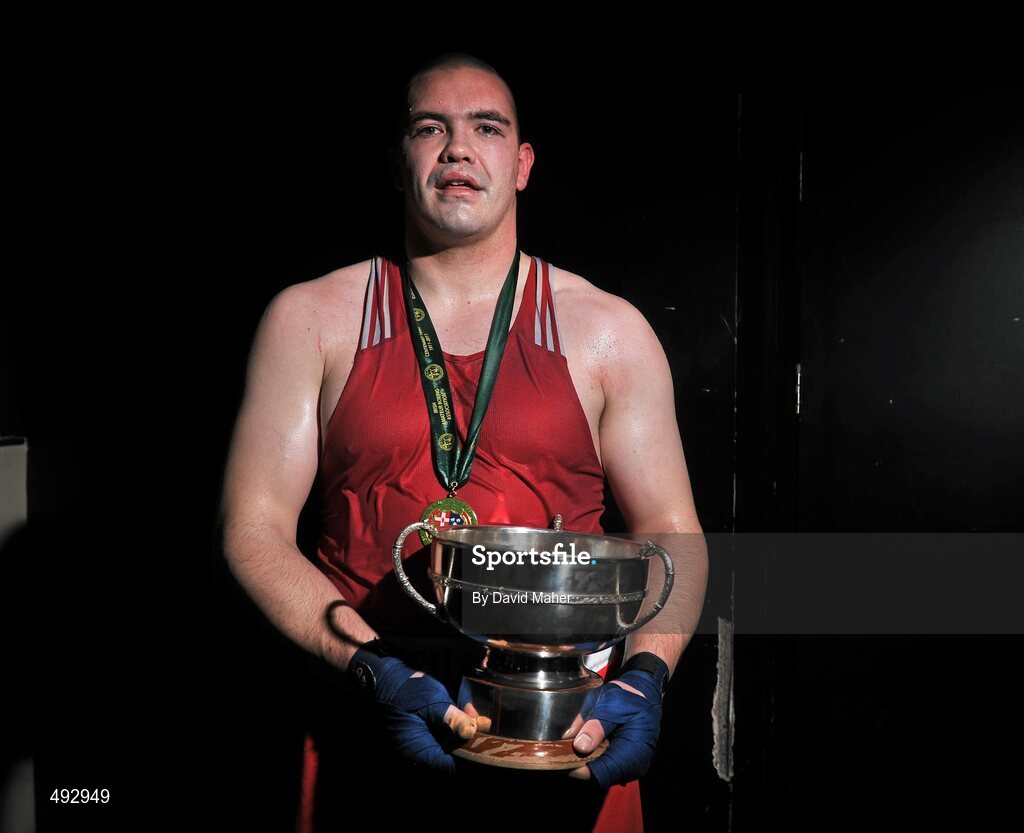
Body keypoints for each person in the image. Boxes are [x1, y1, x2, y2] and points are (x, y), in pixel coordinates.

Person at [219, 52, 707, 833]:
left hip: (562, 721)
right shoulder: (309, 320)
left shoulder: (608, 332)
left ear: (520, 164)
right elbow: (253, 527)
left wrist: (646, 676)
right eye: (429, 128)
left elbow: (673, 531)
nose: (456, 147)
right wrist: (371, 667)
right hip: (369, 712)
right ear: (399, 159)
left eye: (485, 127)